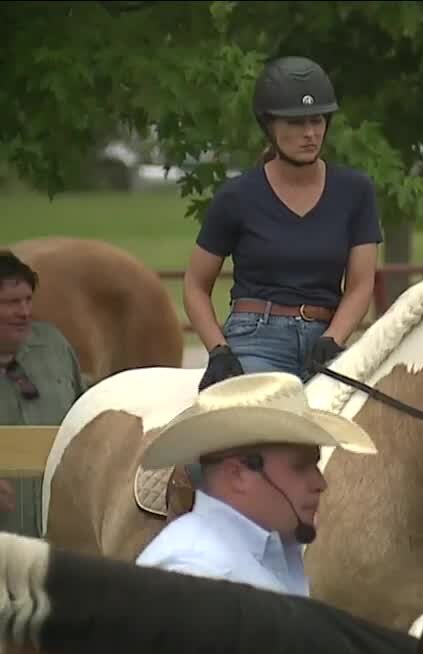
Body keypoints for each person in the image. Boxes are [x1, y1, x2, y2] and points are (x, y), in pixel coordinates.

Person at [183, 55, 384, 391]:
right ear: (269, 126)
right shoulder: (237, 196)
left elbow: (361, 284)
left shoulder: (356, 191)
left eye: (317, 121)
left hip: (327, 343)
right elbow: (195, 284)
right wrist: (218, 350)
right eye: (295, 123)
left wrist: (334, 338)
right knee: (265, 434)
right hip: (255, 339)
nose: (310, 133)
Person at [135, 371, 377, 596]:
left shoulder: (277, 549)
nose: (320, 483)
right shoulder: (200, 574)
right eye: (301, 466)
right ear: (238, 474)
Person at [0, 250, 86, 537]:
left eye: (28, 300)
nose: (24, 312)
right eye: (12, 303)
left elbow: (83, 414)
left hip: (57, 533)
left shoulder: (53, 346)